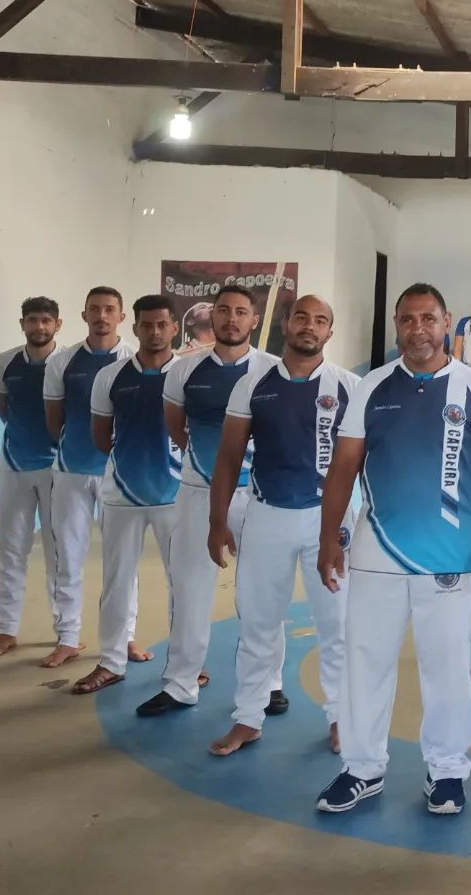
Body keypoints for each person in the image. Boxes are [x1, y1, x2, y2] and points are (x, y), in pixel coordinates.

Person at [314, 284, 471, 815]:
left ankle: (447, 771)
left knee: (448, 668)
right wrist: (328, 536)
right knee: (366, 661)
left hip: (448, 558)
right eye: (407, 320)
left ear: (448, 321)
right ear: (397, 326)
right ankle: (361, 768)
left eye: (428, 318)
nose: (418, 328)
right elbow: (343, 467)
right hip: (374, 550)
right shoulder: (372, 387)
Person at [207, 295, 359, 757]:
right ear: (285, 326)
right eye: (301, 318)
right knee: (257, 623)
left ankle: (341, 718)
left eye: (320, 321)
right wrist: (217, 521)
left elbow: (360, 460)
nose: (309, 327)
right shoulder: (252, 385)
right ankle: (248, 718)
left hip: (327, 521)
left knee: (337, 625)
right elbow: (230, 456)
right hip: (267, 514)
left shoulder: (349, 386)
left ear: (330, 332)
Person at [134, 285, 284, 717]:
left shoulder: (273, 370)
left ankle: (270, 683)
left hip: (258, 496)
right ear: (210, 318)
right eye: (223, 311)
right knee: (189, 587)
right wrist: (209, 470)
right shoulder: (184, 371)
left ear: (254, 321)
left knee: (261, 592)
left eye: (240, 312)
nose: (231, 319)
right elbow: (176, 428)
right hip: (198, 493)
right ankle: (181, 683)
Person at [71, 294, 181, 696]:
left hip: (175, 497)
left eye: (161, 325)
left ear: (173, 328)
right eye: (146, 325)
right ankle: (112, 661)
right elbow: (102, 436)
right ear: (133, 328)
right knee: (117, 581)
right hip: (121, 496)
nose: (154, 332)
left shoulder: (185, 374)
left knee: (182, 583)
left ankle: (184, 665)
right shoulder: (111, 376)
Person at [41, 287, 133, 668]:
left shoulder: (133, 360)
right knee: (69, 557)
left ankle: (125, 636)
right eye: (95, 309)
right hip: (72, 472)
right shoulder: (62, 362)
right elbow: (53, 420)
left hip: (119, 477)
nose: (102, 316)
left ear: (121, 316)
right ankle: (67, 636)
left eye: (109, 309)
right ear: (84, 315)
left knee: (122, 562)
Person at [0, 297, 65, 658]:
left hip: (58, 470)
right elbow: (5, 408)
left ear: (58, 324)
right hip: (13, 466)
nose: (39, 327)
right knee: (11, 550)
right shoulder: (4, 362)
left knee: (59, 553)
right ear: (22, 324)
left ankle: (65, 631)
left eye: (46, 320)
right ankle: (7, 629)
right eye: (33, 320)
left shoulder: (67, 363)